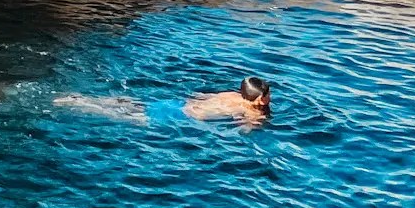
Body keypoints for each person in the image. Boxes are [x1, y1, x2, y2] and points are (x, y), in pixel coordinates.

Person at [56, 77, 273, 126]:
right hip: (178, 116)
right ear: (260, 99)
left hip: (175, 103)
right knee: (123, 116)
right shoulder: (251, 112)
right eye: (268, 95)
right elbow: (245, 130)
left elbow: (201, 97)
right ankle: (78, 104)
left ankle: (83, 98)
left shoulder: (232, 94)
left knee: (131, 105)